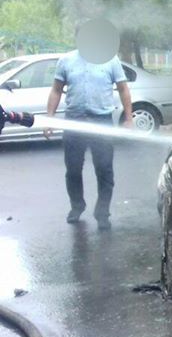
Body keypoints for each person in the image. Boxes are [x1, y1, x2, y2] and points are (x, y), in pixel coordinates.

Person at [46, 19, 133, 231]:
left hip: (101, 122)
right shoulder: (66, 61)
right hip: (74, 123)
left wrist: (129, 119)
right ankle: (77, 206)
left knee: (104, 170)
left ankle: (102, 212)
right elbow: (56, 90)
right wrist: (49, 118)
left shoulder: (110, 61)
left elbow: (123, 89)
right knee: (73, 170)